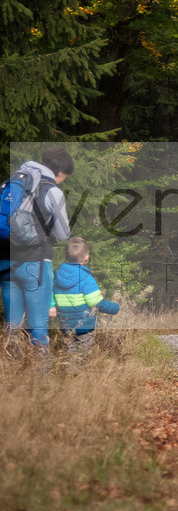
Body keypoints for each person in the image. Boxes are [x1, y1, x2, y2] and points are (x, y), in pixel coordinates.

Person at [1, 146, 74, 357]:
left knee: (12, 326)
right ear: (60, 172)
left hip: (6, 262)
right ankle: (40, 383)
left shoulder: (12, 183)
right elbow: (63, 234)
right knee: (38, 328)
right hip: (35, 264)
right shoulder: (51, 189)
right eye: (64, 178)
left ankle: (11, 377)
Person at [53, 237, 119, 363]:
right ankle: (80, 377)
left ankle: (70, 376)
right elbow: (96, 302)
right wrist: (114, 308)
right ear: (86, 257)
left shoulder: (57, 276)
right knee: (83, 356)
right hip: (85, 326)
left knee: (70, 354)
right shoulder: (86, 278)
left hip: (66, 325)